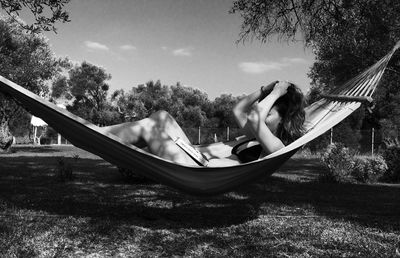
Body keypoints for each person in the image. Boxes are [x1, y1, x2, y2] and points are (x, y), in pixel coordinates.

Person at [101, 81, 305, 167]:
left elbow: (254, 117)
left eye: (269, 113)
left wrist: (277, 93)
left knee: (148, 128)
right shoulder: (255, 135)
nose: (261, 114)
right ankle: (99, 134)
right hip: (195, 157)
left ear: (283, 119)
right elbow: (239, 110)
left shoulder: (276, 147)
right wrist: (264, 90)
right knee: (162, 116)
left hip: (197, 170)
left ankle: (99, 135)